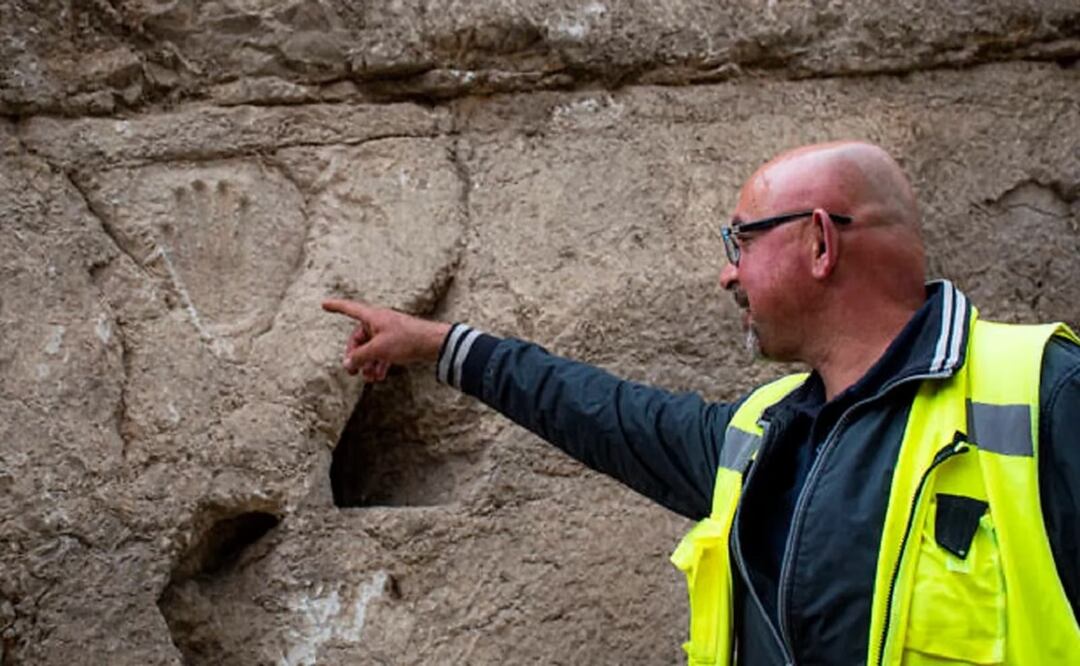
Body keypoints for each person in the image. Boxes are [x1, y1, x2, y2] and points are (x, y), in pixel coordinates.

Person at [322, 141, 1080, 665]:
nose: (727, 274)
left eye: (739, 241)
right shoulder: (765, 433)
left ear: (820, 243)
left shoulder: (1044, 392)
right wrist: (440, 344)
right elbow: (603, 413)